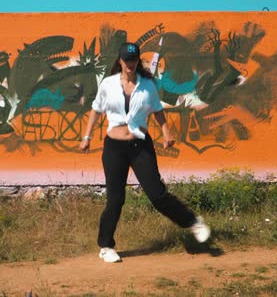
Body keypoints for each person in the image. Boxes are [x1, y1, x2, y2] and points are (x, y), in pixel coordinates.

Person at [79, 42, 211, 263]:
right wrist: (87, 137)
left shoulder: (148, 84)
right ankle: (106, 246)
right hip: (114, 148)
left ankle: (192, 222)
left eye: (133, 60)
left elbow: (157, 109)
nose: (129, 64)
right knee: (115, 199)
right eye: (126, 60)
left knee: (157, 194)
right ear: (120, 61)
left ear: (137, 61)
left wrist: (166, 133)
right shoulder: (108, 84)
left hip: (140, 145)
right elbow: (96, 109)